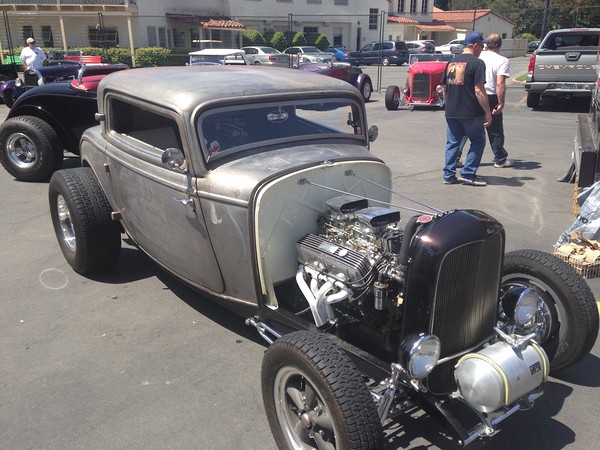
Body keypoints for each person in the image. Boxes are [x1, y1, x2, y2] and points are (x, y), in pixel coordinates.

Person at [441, 31, 492, 186]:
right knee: (478, 141)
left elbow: (444, 87)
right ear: (475, 45)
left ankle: (448, 175)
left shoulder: (451, 63)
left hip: (452, 111)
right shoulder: (477, 63)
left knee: (453, 143)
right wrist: (487, 112)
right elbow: (479, 90)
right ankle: (468, 173)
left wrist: (448, 105)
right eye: (482, 46)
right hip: (470, 112)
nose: (482, 49)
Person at [479, 33, 513, 168]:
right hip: (491, 96)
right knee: (495, 129)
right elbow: (500, 83)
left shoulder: (478, 57)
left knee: (468, 127)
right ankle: (500, 158)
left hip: (476, 94)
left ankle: (456, 156)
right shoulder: (502, 60)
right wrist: (501, 102)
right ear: (499, 45)